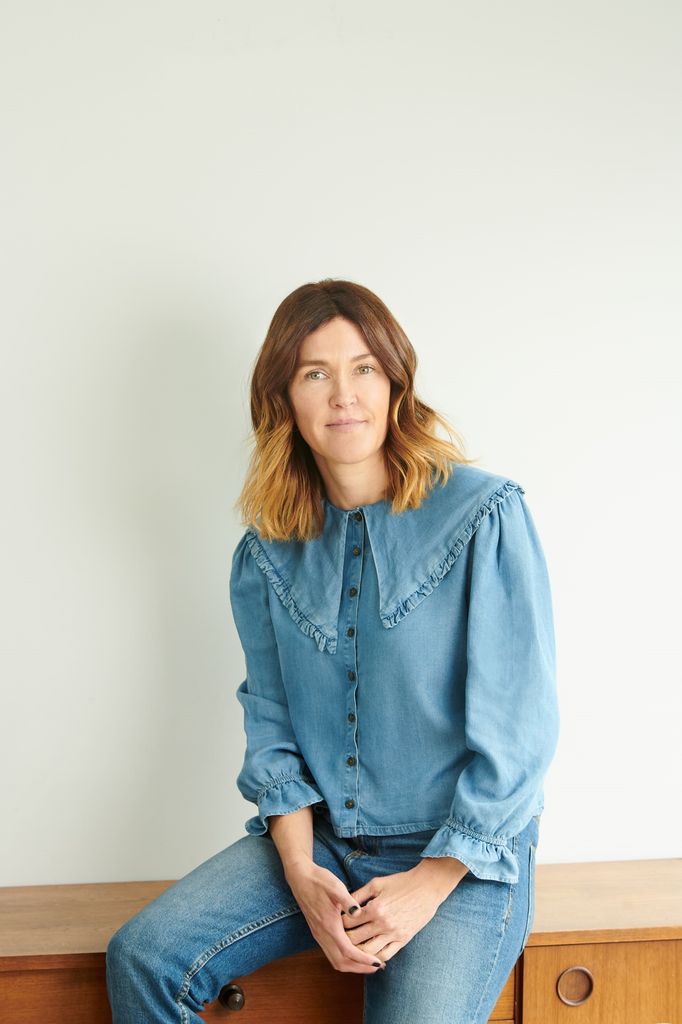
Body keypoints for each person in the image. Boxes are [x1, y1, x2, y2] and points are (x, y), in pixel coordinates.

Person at [106, 278, 560, 1024]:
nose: (343, 394)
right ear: (284, 399)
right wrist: (299, 866)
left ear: (394, 384)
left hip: (467, 863)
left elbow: (520, 732)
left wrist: (428, 881)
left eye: (364, 369)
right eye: (316, 373)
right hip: (320, 846)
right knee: (146, 956)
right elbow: (272, 722)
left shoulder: (486, 515)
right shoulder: (264, 554)